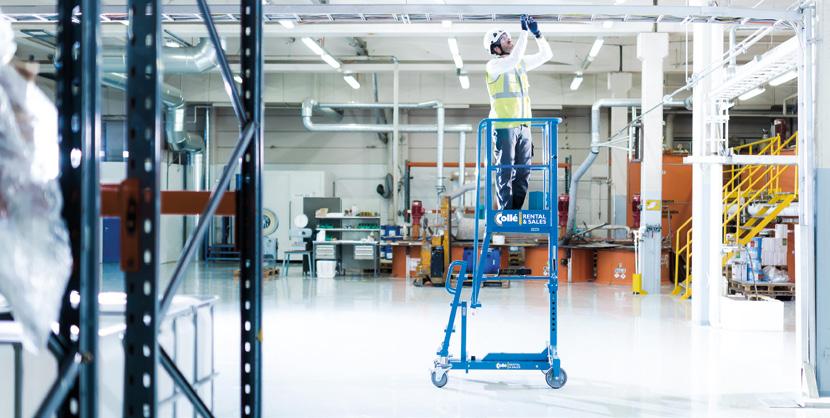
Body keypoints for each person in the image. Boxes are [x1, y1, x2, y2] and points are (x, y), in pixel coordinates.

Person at [483, 15, 552, 210]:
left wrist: (538, 35)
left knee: (523, 172)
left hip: (524, 126)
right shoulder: (494, 66)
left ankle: (515, 211)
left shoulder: (520, 63)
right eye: (504, 39)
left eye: (508, 36)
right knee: (506, 171)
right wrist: (524, 32)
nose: (509, 39)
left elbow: (546, 55)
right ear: (495, 48)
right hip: (504, 126)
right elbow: (513, 59)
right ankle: (506, 212)